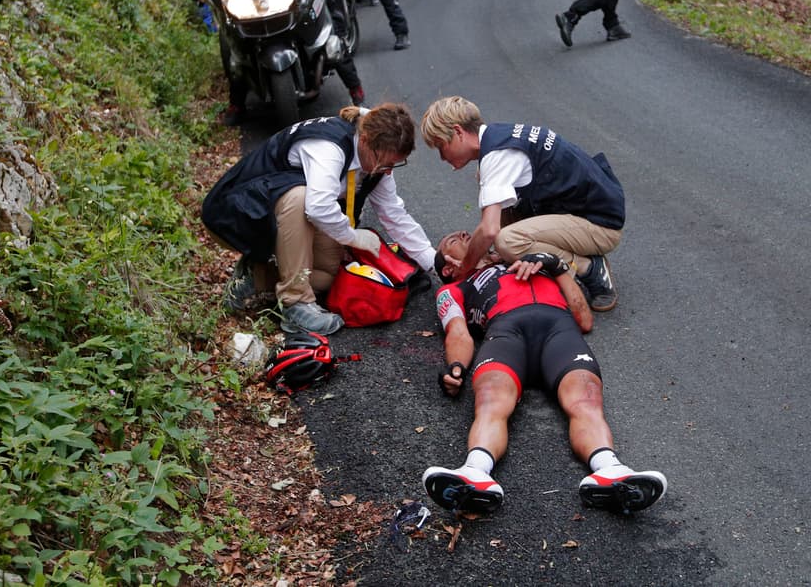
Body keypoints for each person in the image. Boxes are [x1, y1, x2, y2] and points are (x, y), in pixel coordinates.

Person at [422, 232, 666, 515]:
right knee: (490, 397)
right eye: (452, 240)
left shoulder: (526, 260)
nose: (464, 234)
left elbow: (584, 320)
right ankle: (475, 472)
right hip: (506, 333)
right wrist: (456, 368)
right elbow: (457, 332)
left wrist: (557, 267)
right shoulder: (454, 288)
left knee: (585, 397)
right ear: (448, 268)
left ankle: (610, 470)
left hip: (559, 330)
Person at [201, 104, 436, 337]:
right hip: (235, 215)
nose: (388, 171)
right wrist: (353, 237)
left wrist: (436, 264)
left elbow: (395, 215)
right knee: (300, 197)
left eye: (395, 164)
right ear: (365, 141)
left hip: (274, 215)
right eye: (385, 163)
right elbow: (318, 207)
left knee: (330, 275)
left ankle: (255, 275)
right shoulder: (329, 147)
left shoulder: (375, 158)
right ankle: (296, 303)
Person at [419, 96, 624, 312]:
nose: (442, 157)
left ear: (458, 132)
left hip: (601, 226)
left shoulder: (497, 155)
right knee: (496, 209)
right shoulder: (498, 137)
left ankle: (589, 267)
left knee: (507, 241)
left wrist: (465, 267)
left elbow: (489, 230)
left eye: (440, 146)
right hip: (584, 208)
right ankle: (522, 257)